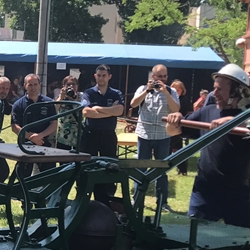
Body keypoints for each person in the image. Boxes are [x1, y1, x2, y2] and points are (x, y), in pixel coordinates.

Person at [166, 64, 250, 228]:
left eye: (220, 89)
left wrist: (233, 121)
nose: (214, 94)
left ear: (237, 91)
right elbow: (174, 131)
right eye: (214, 89)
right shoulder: (207, 111)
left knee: (246, 243)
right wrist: (176, 119)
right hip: (205, 190)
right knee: (193, 239)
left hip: (237, 192)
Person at [129, 64, 180, 210]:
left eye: (165, 76)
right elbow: (133, 104)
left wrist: (166, 93)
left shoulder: (172, 91)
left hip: (163, 136)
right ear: (153, 76)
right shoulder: (142, 89)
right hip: (144, 135)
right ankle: (137, 200)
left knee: (161, 170)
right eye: (159, 76)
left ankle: (162, 202)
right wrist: (147, 90)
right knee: (141, 169)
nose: (162, 79)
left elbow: (176, 109)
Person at [80, 66, 125, 202]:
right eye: (98, 75)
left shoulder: (116, 93)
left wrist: (99, 109)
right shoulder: (88, 93)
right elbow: (87, 112)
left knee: (110, 166)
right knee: (88, 167)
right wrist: (110, 111)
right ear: (95, 76)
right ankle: (84, 197)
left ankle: (108, 199)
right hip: (90, 136)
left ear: (109, 76)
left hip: (108, 136)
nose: (101, 78)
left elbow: (120, 111)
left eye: (104, 75)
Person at [11, 73, 58, 177]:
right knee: (22, 178)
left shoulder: (48, 102)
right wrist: (30, 137)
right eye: (30, 85)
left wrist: (40, 136)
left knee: (51, 177)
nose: (33, 87)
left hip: (44, 144)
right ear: (25, 86)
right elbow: (14, 126)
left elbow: (54, 124)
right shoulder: (18, 104)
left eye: (35, 84)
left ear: (39, 85)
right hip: (25, 146)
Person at [169, 80, 191, 176]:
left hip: (179, 127)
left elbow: (186, 113)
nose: (177, 91)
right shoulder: (169, 98)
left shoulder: (184, 100)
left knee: (178, 149)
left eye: (179, 89)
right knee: (170, 148)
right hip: (170, 127)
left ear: (182, 90)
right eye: (175, 89)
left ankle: (182, 169)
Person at [55, 75, 83, 151]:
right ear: (63, 86)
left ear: (77, 86)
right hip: (63, 136)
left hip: (78, 135)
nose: (71, 86)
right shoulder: (61, 97)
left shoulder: (82, 96)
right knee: (64, 160)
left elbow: (84, 111)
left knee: (78, 160)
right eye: (68, 84)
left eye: (73, 84)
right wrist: (61, 97)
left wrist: (75, 100)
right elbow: (54, 110)